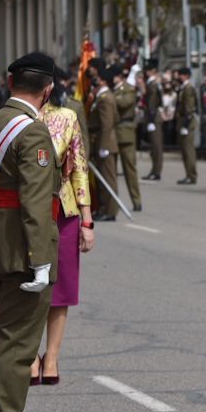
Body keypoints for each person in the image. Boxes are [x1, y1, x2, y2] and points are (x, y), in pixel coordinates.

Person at [0, 52, 61, 412]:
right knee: (17, 343)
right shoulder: (33, 132)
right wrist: (41, 260)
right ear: (49, 89)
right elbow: (35, 200)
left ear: (11, 84)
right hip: (23, 248)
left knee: (3, 338)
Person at [32, 72, 95, 387]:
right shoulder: (15, 119)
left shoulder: (67, 117)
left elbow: (79, 167)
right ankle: (30, 356)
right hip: (25, 213)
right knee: (28, 286)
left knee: (61, 289)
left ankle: (52, 356)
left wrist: (86, 220)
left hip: (64, 211)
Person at [89, 67, 120, 221]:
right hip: (101, 141)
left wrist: (103, 146)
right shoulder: (101, 97)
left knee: (108, 178)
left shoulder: (106, 98)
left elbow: (107, 124)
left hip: (106, 143)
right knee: (103, 179)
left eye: (98, 78)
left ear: (103, 81)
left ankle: (111, 211)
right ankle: (104, 208)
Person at [112, 65, 142, 211]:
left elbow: (125, 103)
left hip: (125, 132)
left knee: (130, 169)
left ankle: (136, 201)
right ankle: (113, 203)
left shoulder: (128, 89)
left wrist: (110, 97)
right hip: (113, 133)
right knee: (111, 171)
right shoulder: (113, 91)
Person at [175, 67, 199, 185]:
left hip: (187, 122)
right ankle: (188, 174)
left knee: (188, 150)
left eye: (180, 75)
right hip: (183, 121)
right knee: (184, 150)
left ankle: (191, 175)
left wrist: (185, 124)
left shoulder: (188, 88)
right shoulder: (184, 87)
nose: (178, 77)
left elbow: (189, 107)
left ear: (185, 76)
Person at [142, 60, 164, 181]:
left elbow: (152, 103)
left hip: (154, 118)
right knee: (154, 148)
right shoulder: (151, 84)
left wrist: (150, 120)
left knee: (156, 148)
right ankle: (154, 170)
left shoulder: (153, 84)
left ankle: (156, 172)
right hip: (153, 117)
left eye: (148, 70)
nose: (146, 72)